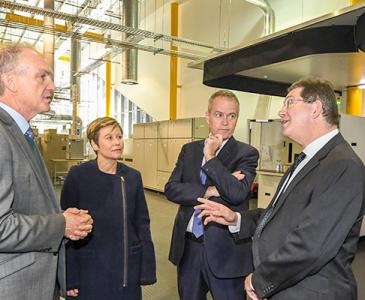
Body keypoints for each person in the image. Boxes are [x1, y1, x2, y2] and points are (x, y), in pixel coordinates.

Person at [196, 78, 365, 300]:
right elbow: (279, 216)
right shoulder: (308, 159)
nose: (281, 111)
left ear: (315, 109)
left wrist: (260, 280)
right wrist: (236, 218)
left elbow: (311, 246)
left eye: (289, 103)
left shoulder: (343, 165)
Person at [0, 45, 93, 300]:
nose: (52, 85)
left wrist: (60, 215)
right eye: (42, 76)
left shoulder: (20, 133)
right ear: (10, 81)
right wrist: (61, 224)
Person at [164, 90, 259, 300]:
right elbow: (171, 188)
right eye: (219, 115)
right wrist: (212, 190)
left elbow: (237, 194)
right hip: (188, 248)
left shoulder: (246, 153)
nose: (225, 122)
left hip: (227, 251)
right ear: (207, 116)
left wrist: (211, 157)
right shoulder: (189, 150)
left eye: (231, 116)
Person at [61, 117, 156, 300]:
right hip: (89, 270)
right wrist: (69, 276)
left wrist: (146, 269)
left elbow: (142, 224)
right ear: (94, 144)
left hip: (125, 269)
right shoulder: (78, 176)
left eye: (119, 137)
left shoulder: (132, 177)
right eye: (109, 138)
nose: (117, 143)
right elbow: (66, 229)